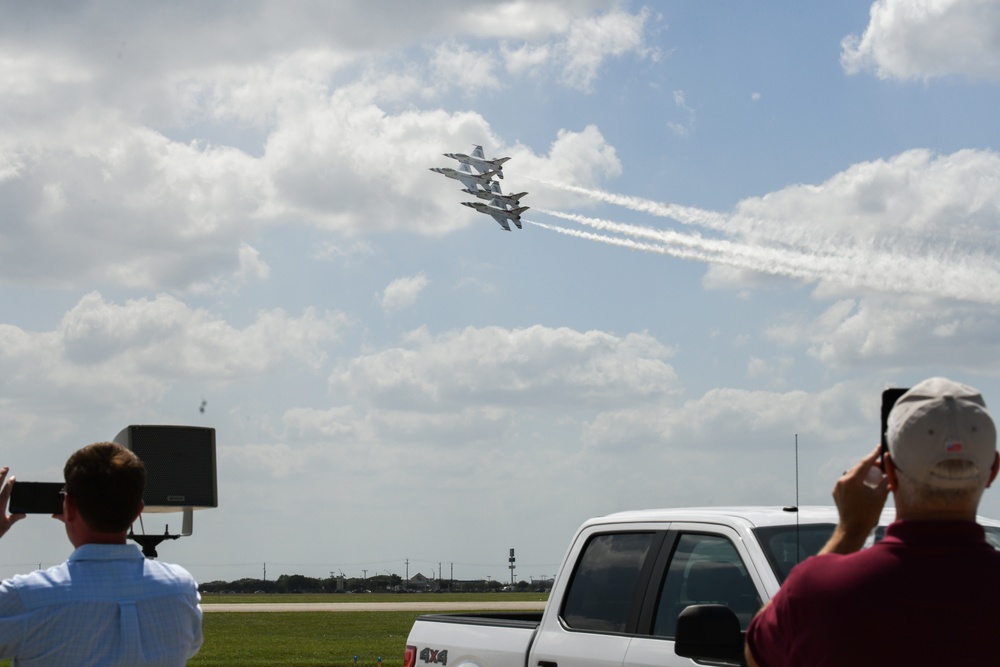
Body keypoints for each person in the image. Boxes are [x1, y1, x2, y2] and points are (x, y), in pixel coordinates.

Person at [745, 377, 1000, 666]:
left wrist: (850, 531)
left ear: (889, 470)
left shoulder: (818, 591)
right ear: (993, 470)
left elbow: (758, 655)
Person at [0, 442, 203, 666]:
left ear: (68, 505)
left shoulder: (25, 597)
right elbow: (191, 645)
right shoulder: (181, 588)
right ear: (137, 511)